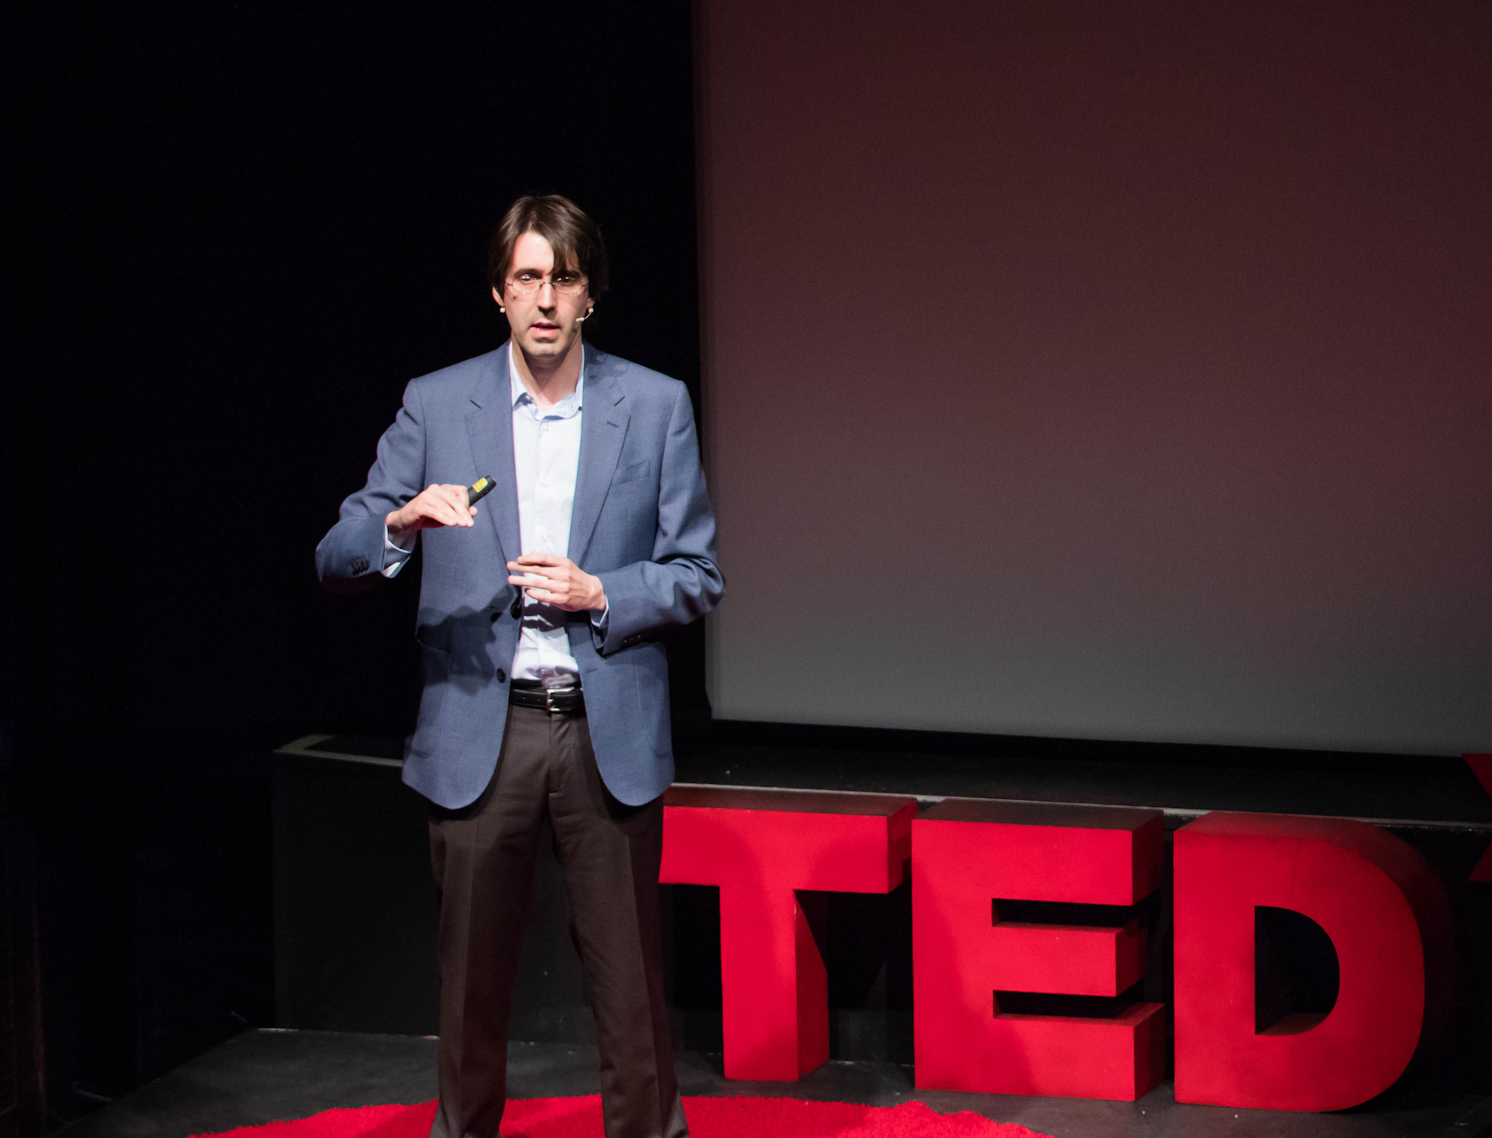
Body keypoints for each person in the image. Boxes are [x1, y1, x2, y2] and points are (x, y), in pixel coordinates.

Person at [315, 194, 723, 1138]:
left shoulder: (654, 405)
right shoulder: (436, 403)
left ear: (591, 295)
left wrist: (601, 592)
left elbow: (698, 573)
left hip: (599, 725)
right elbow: (335, 553)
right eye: (528, 278)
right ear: (499, 293)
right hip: (478, 731)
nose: (545, 299)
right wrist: (400, 522)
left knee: (630, 1001)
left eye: (564, 278)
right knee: (469, 999)